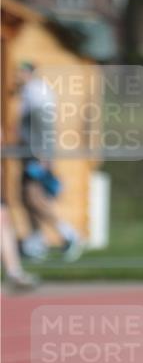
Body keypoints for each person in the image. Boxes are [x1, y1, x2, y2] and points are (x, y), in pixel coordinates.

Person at [15, 62, 82, 262]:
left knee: (34, 197)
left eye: (20, 71)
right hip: (29, 154)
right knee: (26, 197)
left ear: (28, 73)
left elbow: (45, 127)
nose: (17, 75)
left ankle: (68, 234)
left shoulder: (36, 92)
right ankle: (37, 240)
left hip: (36, 155)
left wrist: (45, 156)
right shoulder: (28, 92)